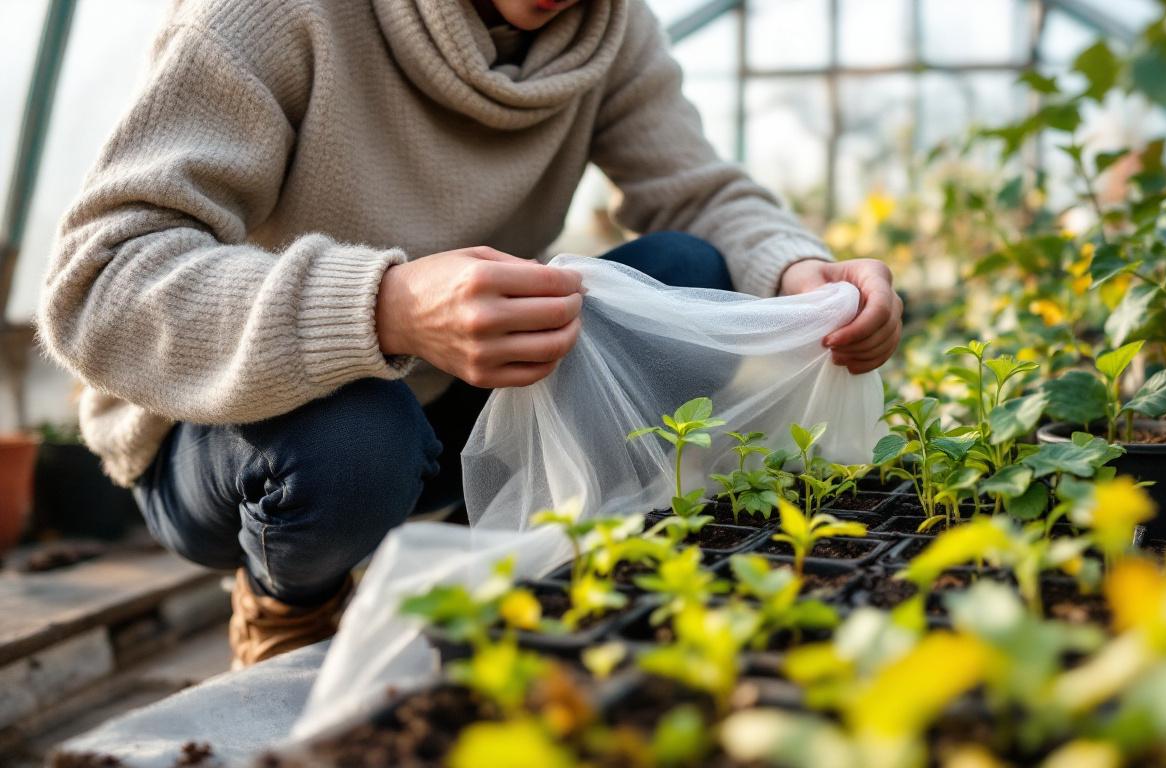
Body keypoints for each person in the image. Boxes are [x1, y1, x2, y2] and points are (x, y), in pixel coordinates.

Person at [36, 0, 903, 667]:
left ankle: (555, 575)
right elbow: (98, 281)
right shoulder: (275, 17)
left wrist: (797, 272)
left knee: (686, 267)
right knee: (354, 435)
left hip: (449, 406)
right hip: (237, 440)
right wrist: (385, 305)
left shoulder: (605, 30)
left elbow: (699, 196)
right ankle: (287, 601)